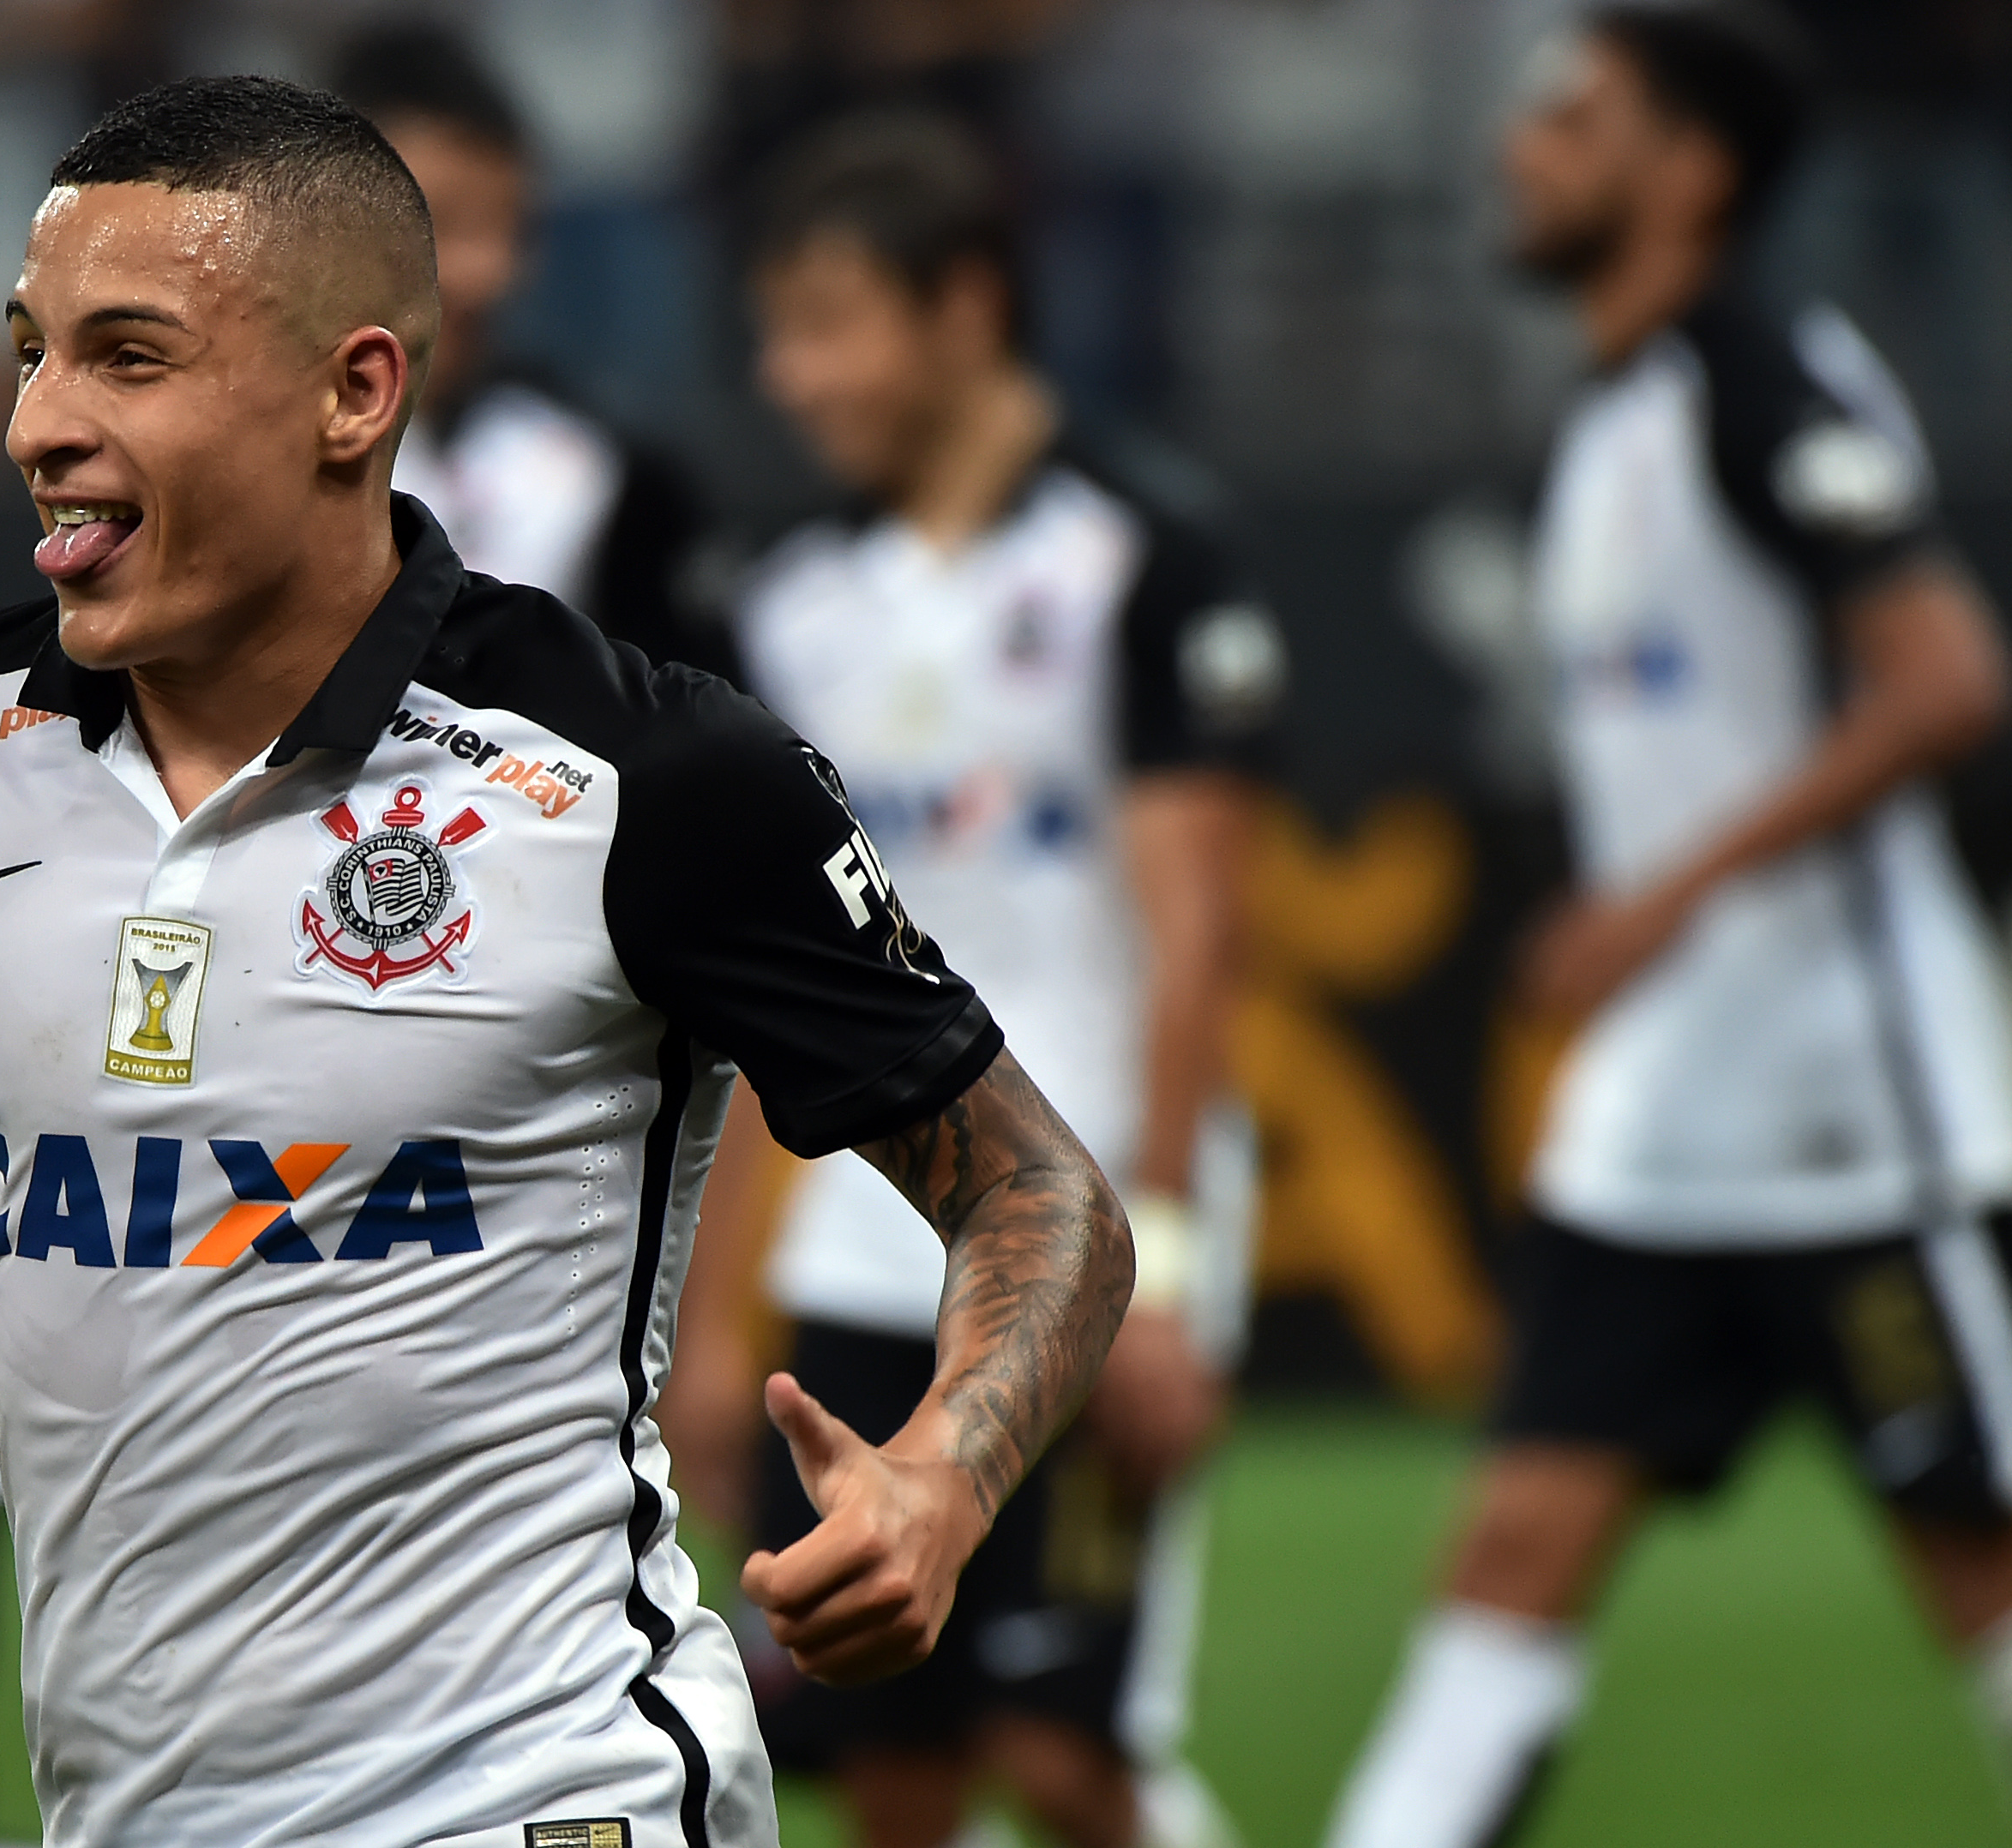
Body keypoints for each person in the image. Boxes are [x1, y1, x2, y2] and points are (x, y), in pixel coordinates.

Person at [0, 75, 1134, 1848]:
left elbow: (1038, 1193)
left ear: (354, 392)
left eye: (127, 357)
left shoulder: (643, 776)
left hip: (544, 1790)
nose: (40, 424)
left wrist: (945, 1470)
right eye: (32, 351)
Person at [1322, 9, 2012, 1846]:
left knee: (2009, 1603)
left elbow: (1947, 678)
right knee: (1512, 1544)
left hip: (1850, 1119)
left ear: (1694, 170)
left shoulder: (1759, 380)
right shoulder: (1627, 414)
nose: (1524, 144)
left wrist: (1655, 897)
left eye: (1578, 115)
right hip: (1664, 1124)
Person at [664, 114, 1282, 1848]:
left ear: (967, 305)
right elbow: (762, 998)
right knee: (898, 1770)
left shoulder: (1141, 556)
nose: (794, 377)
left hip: (1084, 1236)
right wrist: (717, 1328)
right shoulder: (786, 605)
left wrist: (1166, 1264)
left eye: (831, 323)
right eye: (778, 331)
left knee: (1068, 1759)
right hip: (865, 1232)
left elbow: (1203, 935)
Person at [336, 19, 719, 677]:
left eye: (513, 229)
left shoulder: (604, 483)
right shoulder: (232, 463)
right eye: (444, 222)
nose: (491, 272)